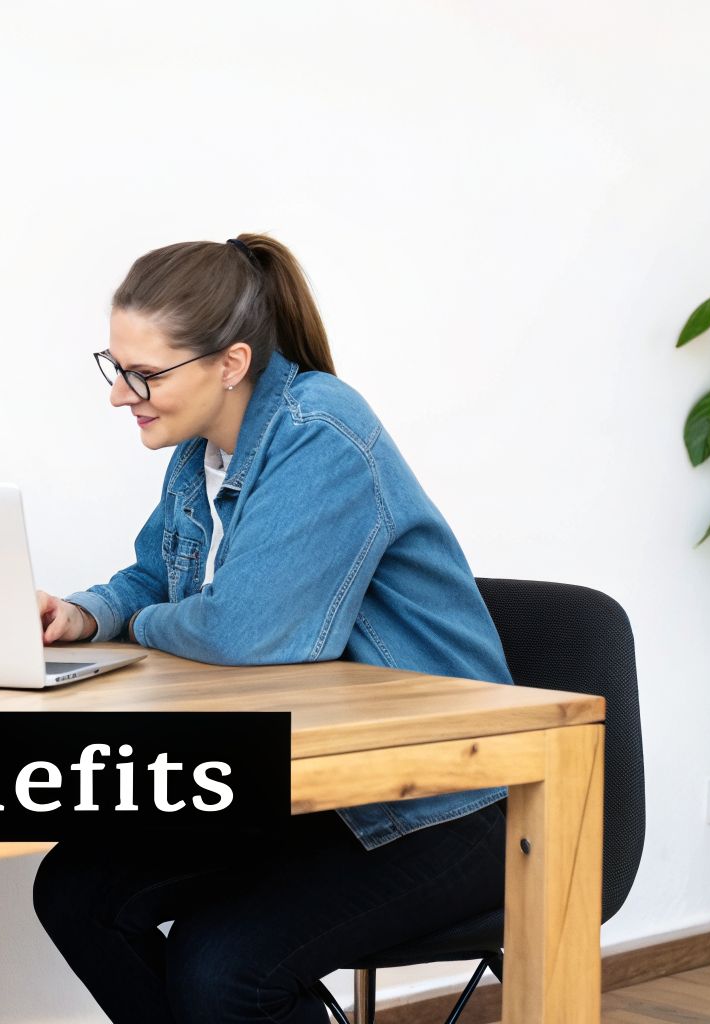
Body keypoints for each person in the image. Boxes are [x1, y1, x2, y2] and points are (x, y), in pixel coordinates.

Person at [30, 234, 512, 1023]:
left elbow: (250, 633)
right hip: (317, 786)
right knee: (78, 891)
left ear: (230, 362)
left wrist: (145, 625)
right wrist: (86, 613)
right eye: (115, 367)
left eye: (145, 374)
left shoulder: (321, 429)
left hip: (442, 796)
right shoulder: (199, 452)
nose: (122, 394)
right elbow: (155, 574)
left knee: (222, 966)